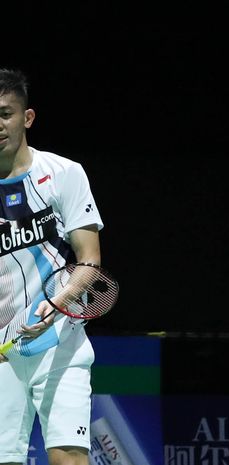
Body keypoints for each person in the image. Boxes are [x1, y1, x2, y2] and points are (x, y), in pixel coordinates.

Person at [0, 68, 103, 464]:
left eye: (6, 113)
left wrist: (59, 302)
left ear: (26, 118)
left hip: (59, 343)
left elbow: (90, 261)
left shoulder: (63, 175)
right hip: (3, 353)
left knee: (68, 457)